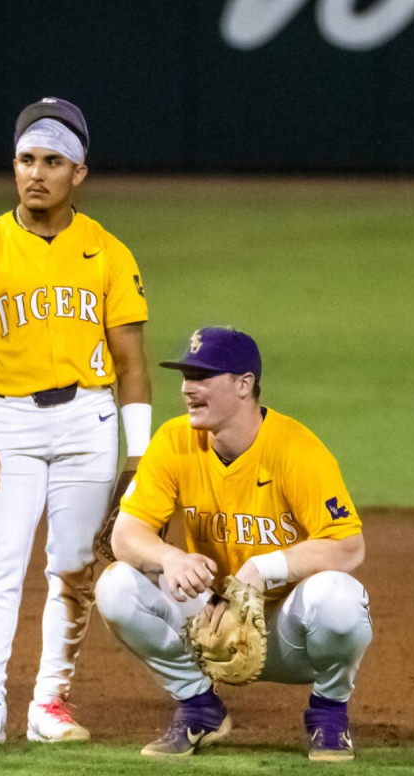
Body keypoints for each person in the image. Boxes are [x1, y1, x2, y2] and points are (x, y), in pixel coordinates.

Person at [0, 97, 151, 748]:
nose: (36, 173)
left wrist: (138, 456)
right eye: (26, 159)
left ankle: (48, 701)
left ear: (78, 173)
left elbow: (132, 363)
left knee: (75, 568)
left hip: (90, 420)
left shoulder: (109, 253)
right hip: (9, 423)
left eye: (52, 161)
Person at [95, 326, 372, 761]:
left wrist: (265, 568)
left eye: (203, 376)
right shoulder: (174, 440)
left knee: (339, 599)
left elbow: (348, 546)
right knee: (116, 587)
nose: (188, 389)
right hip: (210, 621)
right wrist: (170, 557)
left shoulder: (296, 450)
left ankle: (329, 713)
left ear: (244, 385)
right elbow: (124, 535)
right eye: (185, 376)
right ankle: (199, 705)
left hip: (288, 633)